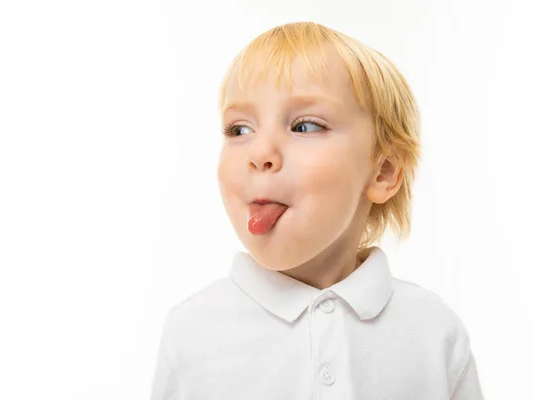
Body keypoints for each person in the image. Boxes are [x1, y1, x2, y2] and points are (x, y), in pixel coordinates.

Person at [150, 21, 484, 399]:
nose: (260, 154)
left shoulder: (433, 332)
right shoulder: (192, 332)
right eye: (239, 130)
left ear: (383, 172)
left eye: (305, 125)